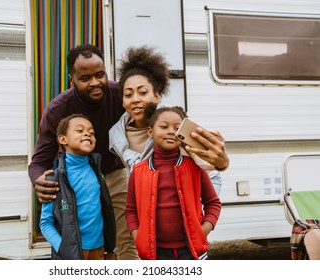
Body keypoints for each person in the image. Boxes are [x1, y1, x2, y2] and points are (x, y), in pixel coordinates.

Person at [28, 44, 139, 259]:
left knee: (126, 242)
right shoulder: (57, 110)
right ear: (72, 80)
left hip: (115, 173)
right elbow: (39, 162)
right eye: (85, 78)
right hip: (76, 179)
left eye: (100, 74)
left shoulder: (121, 95)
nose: (95, 82)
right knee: (82, 243)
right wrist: (39, 180)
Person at [109, 46, 229, 194]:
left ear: (157, 96)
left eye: (143, 92)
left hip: (193, 191)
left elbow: (211, 164)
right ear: (122, 101)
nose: (135, 99)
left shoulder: (174, 123)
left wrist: (221, 163)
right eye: (128, 94)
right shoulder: (117, 135)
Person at [125, 104, 222, 260]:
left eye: (177, 128)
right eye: (164, 126)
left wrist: (203, 230)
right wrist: (138, 236)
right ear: (150, 132)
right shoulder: (138, 171)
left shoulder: (194, 167)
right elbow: (130, 210)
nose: (171, 131)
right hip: (155, 254)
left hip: (192, 252)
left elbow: (213, 203)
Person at [39, 114, 116, 260]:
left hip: (99, 250)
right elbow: (45, 223)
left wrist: (111, 247)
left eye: (91, 133)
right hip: (72, 254)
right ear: (63, 139)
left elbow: (106, 213)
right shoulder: (54, 178)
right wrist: (64, 248)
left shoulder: (97, 173)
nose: (87, 133)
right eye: (79, 130)